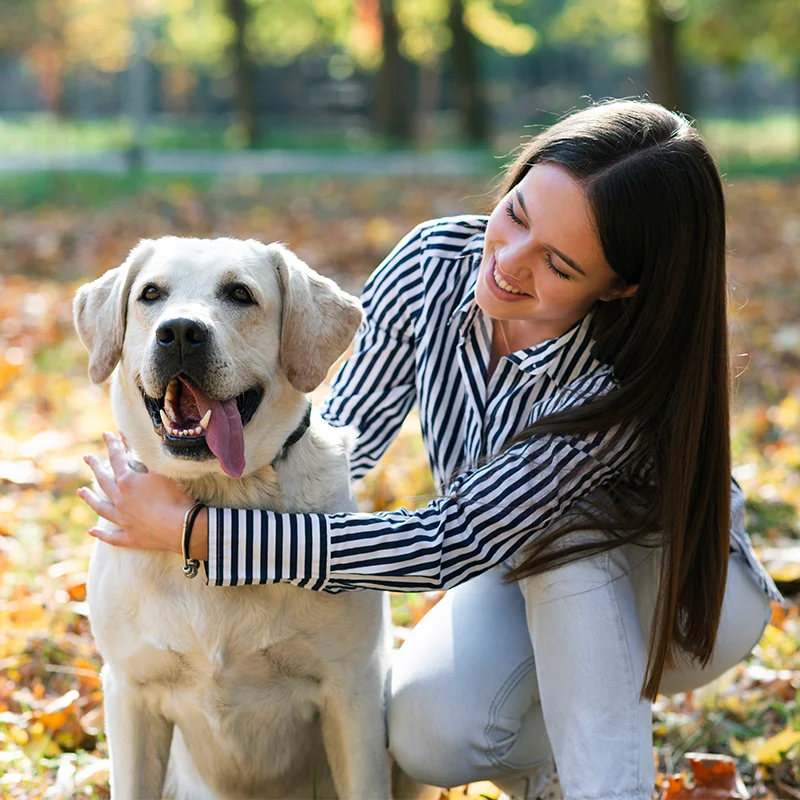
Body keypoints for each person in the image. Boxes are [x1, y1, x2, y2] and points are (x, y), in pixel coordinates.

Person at [79, 99, 783, 800]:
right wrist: (211, 480)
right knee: (428, 735)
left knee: (572, 539)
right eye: (517, 215)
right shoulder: (434, 265)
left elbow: (453, 540)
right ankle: (548, 760)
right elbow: (339, 440)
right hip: (511, 566)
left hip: (681, 603)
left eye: (558, 264)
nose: (508, 263)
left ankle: (607, 786)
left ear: (622, 285)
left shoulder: (618, 377)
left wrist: (201, 533)